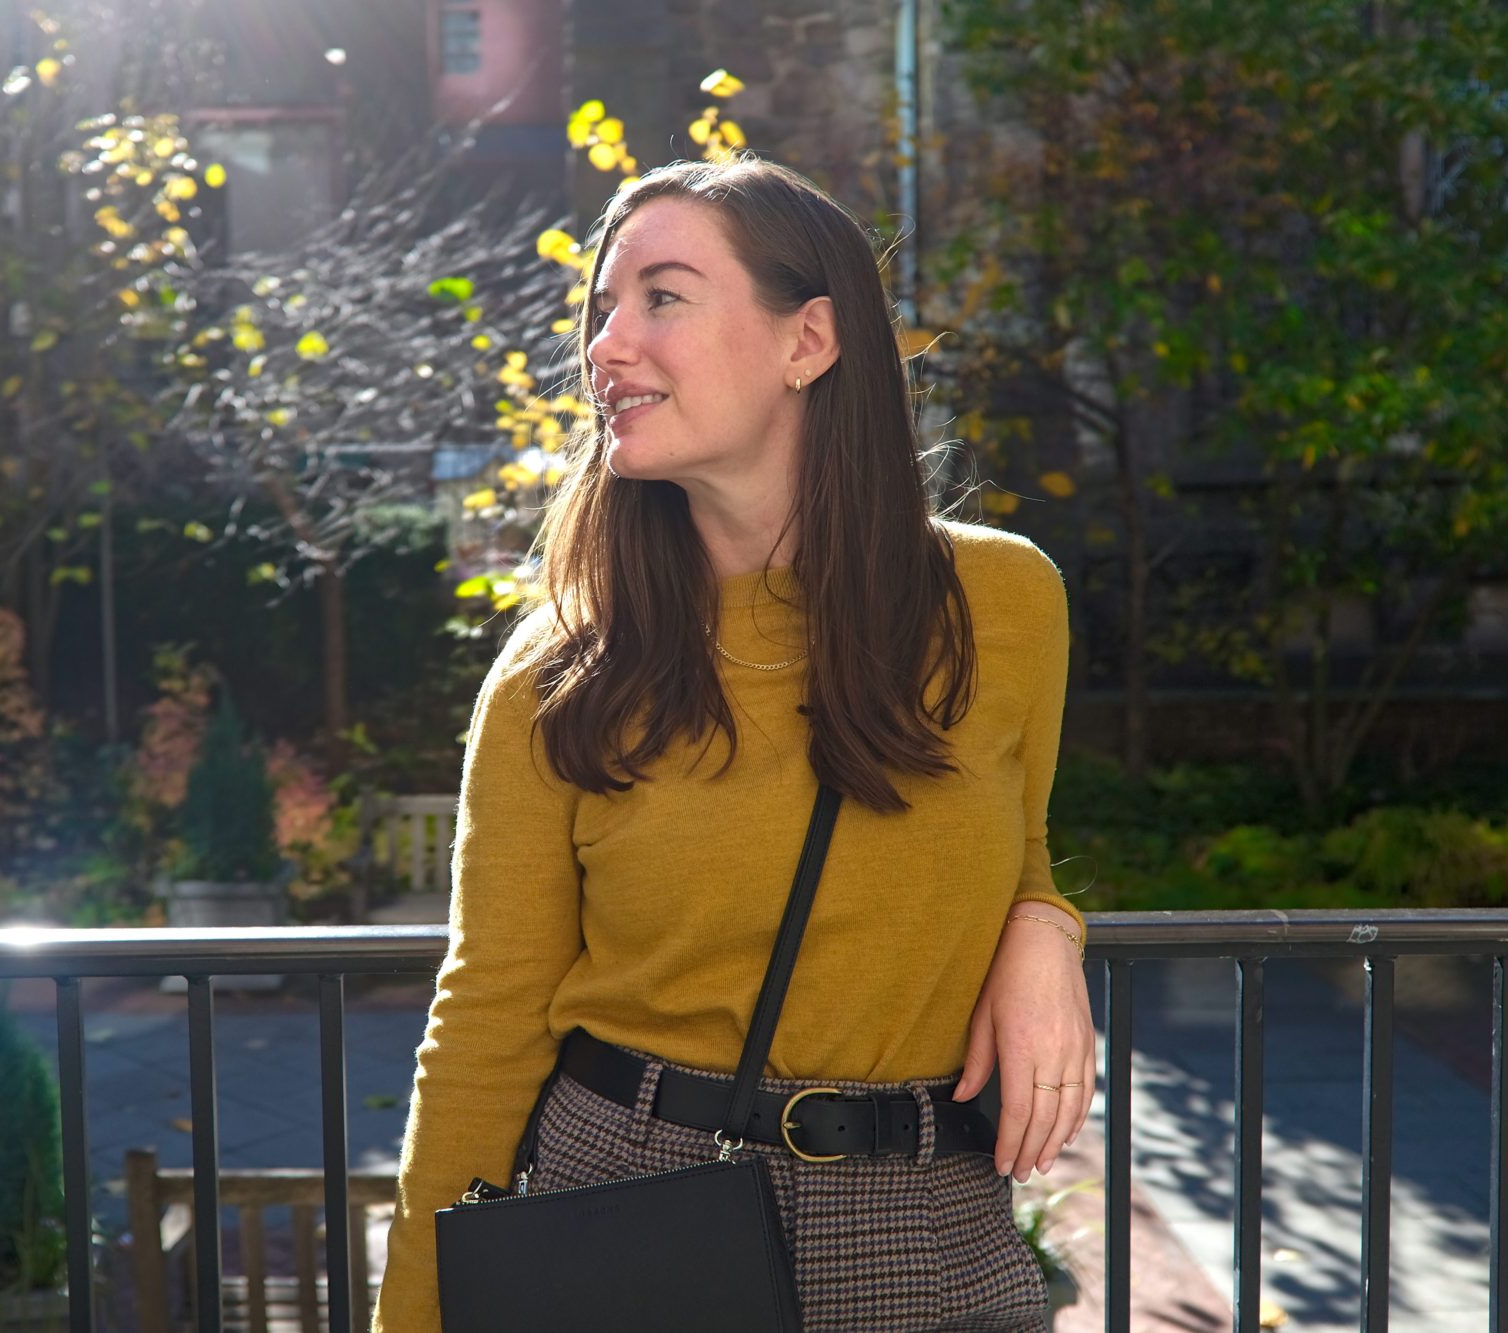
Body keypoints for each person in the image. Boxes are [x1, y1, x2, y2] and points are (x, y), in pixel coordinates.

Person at [372, 155, 1094, 1332]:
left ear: (807, 341)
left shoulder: (1001, 605)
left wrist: (1045, 926)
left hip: (926, 1229)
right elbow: (486, 1021)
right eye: (601, 310)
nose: (606, 345)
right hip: (628, 1211)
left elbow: (1008, 846)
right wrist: (411, 1321)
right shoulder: (561, 667)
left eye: (660, 297)